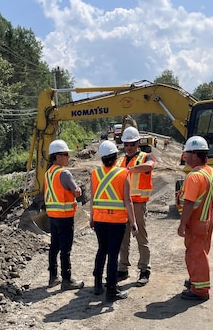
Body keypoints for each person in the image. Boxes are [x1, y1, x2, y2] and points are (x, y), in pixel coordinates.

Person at [90, 140, 138, 302]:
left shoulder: (95, 174)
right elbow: (128, 201)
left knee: (101, 250)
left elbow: (93, 198)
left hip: (99, 219)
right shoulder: (123, 173)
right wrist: (133, 222)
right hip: (117, 221)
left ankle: (97, 284)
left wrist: (91, 217)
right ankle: (111, 290)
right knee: (112, 255)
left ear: (102, 158)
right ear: (116, 157)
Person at [177, 136, 213, 301]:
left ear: (194, 154)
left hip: (196, 223)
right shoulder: (212, 173)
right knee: (201, 253)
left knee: (196, 255)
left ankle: (200, 290)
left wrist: (182, 224)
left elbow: (189, 203)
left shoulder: (194, 176)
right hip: (207, 221)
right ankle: (196, 281)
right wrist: (210, 218)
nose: (185, 157)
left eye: (186, 153)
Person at [116, 126, 156, 286]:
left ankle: (144, 269)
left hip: (138, 204)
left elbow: (150, 166)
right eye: (126, 144)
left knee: (141, 237)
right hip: (123, 204)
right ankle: (122, 268)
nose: (129, 147)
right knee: (123, 238)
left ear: (138, 142)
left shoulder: (146, 157)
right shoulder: (119, 160)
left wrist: (129, 170)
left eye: (132, 144)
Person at [44, 139, 84, 291]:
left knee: (54, 246)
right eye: (66, 154)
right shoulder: (64, 173)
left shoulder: (48, 173)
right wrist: (78, 191)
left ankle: (53, 277)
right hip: (65, 216)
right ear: (58, 156)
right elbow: (77, 192)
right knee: (65, 248)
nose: (68, 157)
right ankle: (67, 280)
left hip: (53, 216)